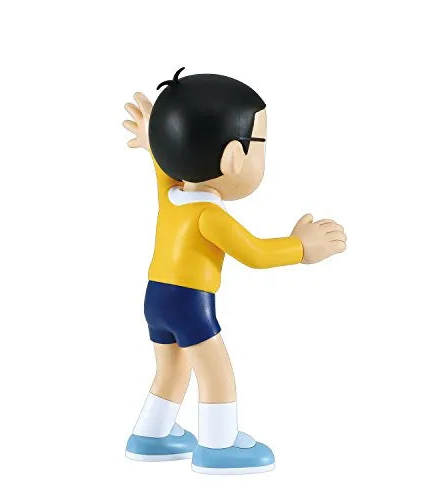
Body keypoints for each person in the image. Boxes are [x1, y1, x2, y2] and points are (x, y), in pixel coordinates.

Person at [122, 69, 347, 475]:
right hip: (190, 303)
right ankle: (218, 445)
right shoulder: (209, 215)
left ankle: (151, 435)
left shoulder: (171, 194)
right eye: (261, 142)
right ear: (233, 158)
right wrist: (302, 247)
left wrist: (157, 138)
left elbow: (161, 164)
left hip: (155, 298)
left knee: (172, 367)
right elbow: (256, 253)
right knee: (216, 372)